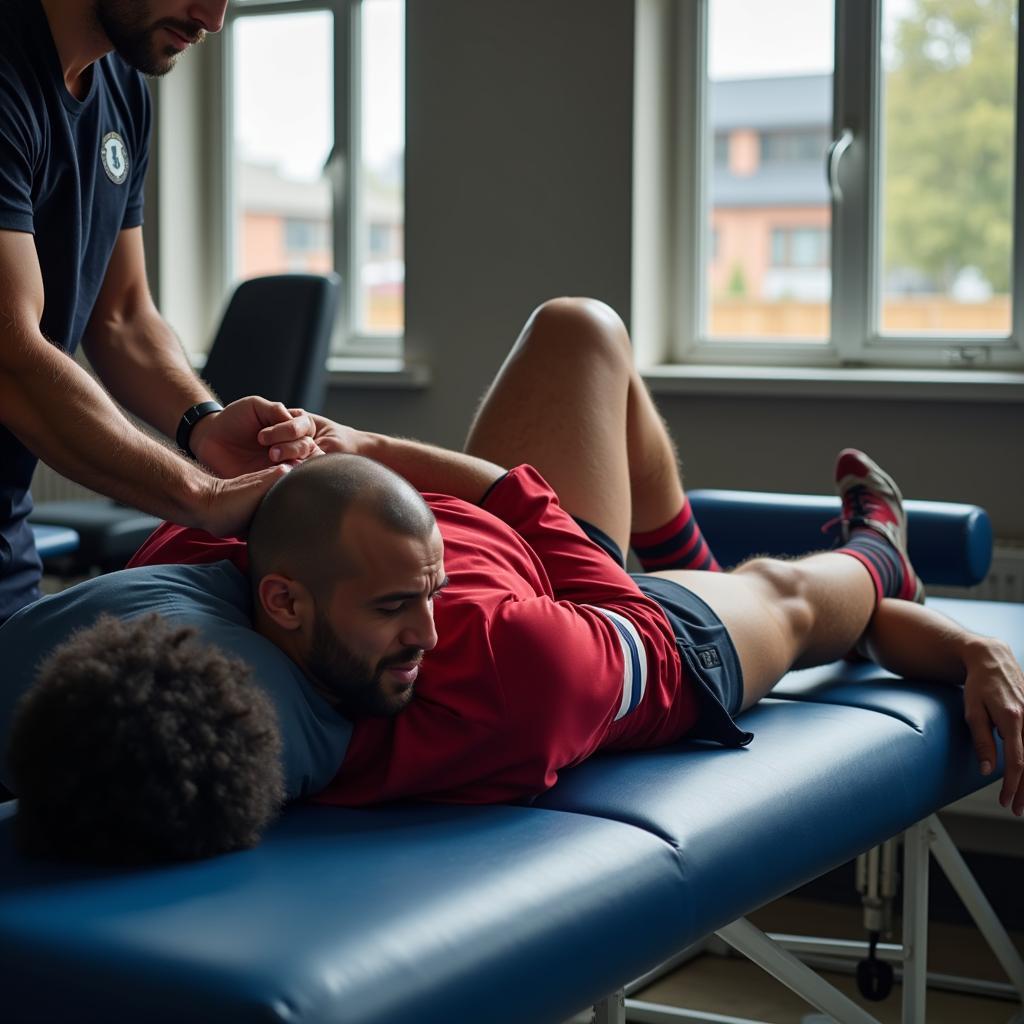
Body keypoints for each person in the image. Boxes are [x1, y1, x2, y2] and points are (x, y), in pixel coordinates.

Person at [2, 298, 1022, 863]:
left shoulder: (188, 561)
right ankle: (879, 534)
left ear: (274, 596)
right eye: (401, 611)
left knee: (578, 327)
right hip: (584, 592)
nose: (425, 631)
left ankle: (683, 548)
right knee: (789, 600)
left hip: (444, 529)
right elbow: (521, 501)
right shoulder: (513, 670)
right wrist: (975, 645)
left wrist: (352, 453)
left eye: (420, 600)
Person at [0, 0, 320, 624]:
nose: (215, 16)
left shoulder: (121, 88)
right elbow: (11, 355)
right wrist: (202, 496)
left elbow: (121, 314)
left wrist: (203, 424)